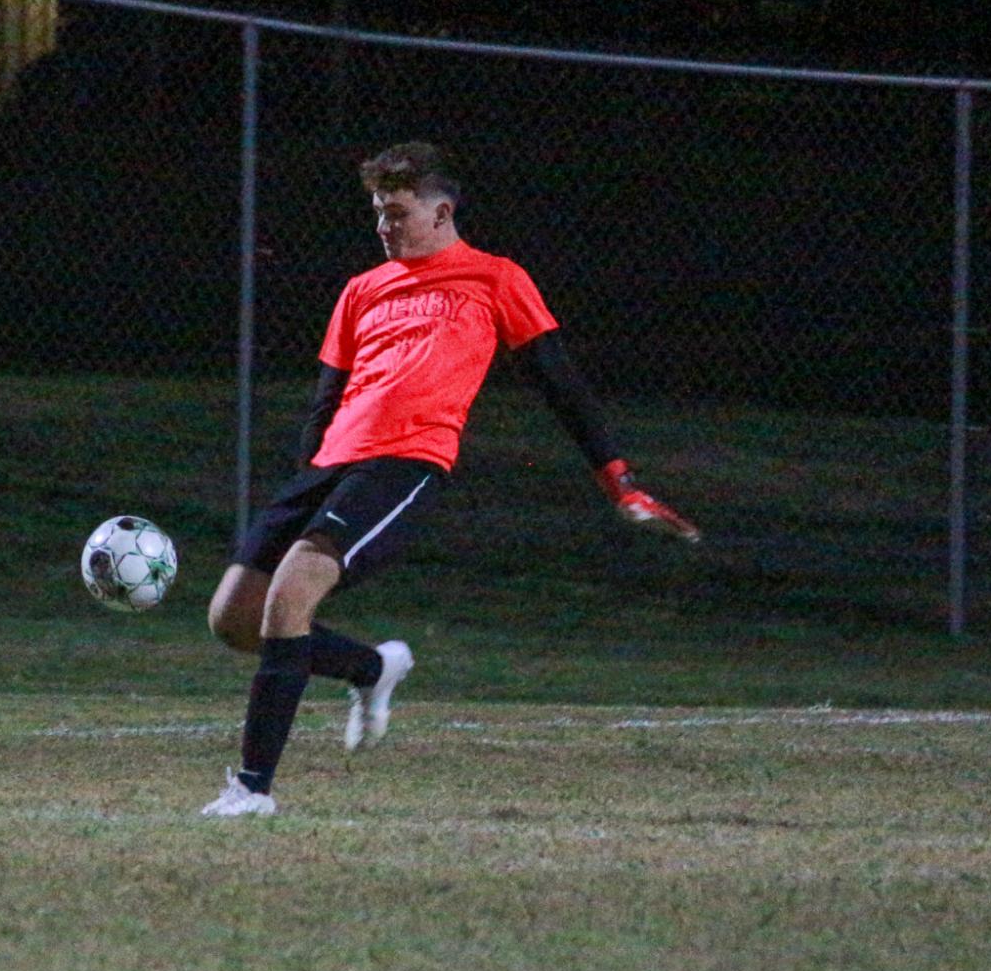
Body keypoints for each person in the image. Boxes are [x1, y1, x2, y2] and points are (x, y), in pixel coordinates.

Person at [200, 141, 700, 817]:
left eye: (397, 212)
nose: (384, 227)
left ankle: (251, 790)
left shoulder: (494, 279)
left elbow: (561, 383)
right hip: (333, 466)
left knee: (291, 595)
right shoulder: (360, 291)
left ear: (441, 213)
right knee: (233, 618)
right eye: (378, 213)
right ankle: (371, 669)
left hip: (406, 459)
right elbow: (328, 398)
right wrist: (306, 485)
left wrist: (618, 479)